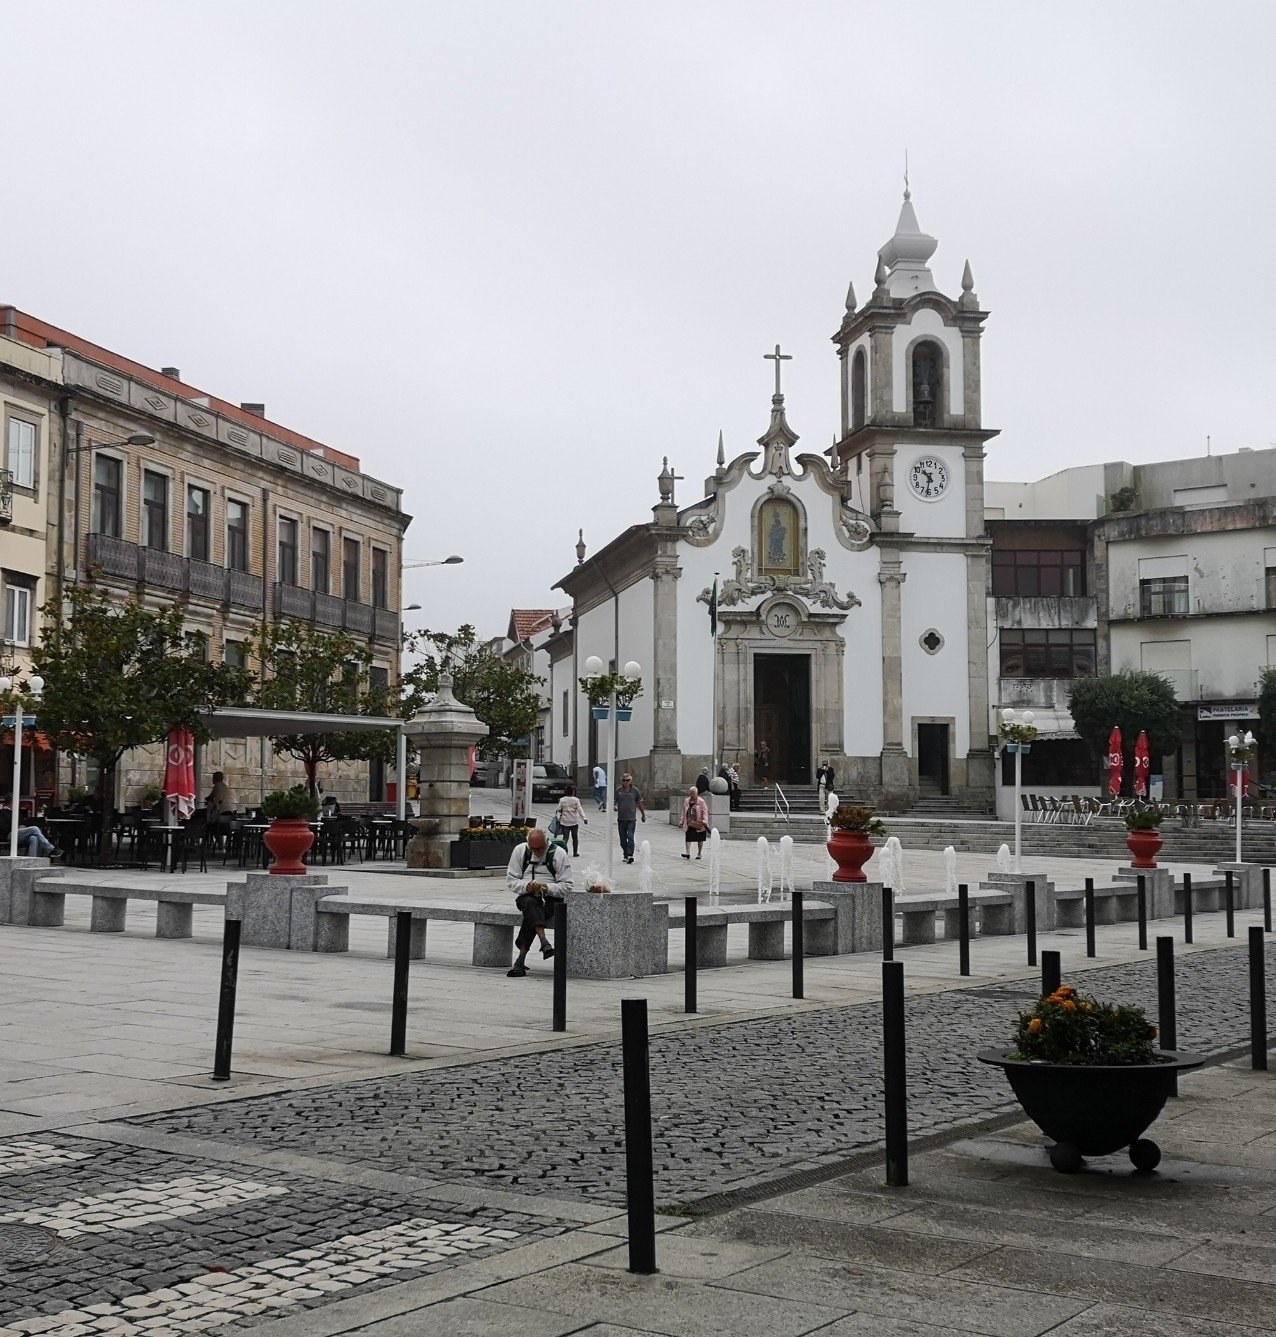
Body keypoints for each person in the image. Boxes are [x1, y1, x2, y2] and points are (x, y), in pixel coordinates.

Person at [504, 825, 572, 978]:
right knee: (529, 903)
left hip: (551, 899)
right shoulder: (521, 850)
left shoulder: (558, 854)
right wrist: (525, 886)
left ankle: (520, 961)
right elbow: (511, 880)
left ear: (546, 843)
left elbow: (567, 885)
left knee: (531, 912)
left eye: (539, 849)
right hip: (526, 896)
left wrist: (547, 888)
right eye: (532, 849)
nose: (535, 852)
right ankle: (543, 941)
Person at [613, 773, 646, 864]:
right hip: (621, 818)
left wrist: (643, 814)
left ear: (630, 781)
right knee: (622, 839)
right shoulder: (618, 790)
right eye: (624, 781)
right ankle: (625, 854)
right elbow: (614, 801)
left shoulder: (635, 791)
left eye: (627, 780)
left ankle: (630, 855)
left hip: (631, 818)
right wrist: (614, 806)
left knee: (630, 837)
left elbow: (639, 803)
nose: (626, 782)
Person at [553, 783, 587, 857]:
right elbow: (580, 809)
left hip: (565, 821)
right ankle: (575, 852)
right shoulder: (576, 800)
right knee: (575, 837)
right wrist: (584, 818)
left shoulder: (562, 800)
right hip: (574, 821)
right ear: (573, 791)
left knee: (565, 837)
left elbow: (558, 809)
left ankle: (563, 852)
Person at [679, 785, 709, 860]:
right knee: (688, 837)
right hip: (689, 822)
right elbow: (683, 812)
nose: (691, 795)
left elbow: (705, 812)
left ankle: (699, 853)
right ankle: (687, 852)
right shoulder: (687, 801)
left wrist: (705, 821)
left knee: (700, 838)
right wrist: (681, 821)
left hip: (699, 823)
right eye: (691, 793)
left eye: (693, 793)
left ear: (696, 793)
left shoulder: (701, 801)